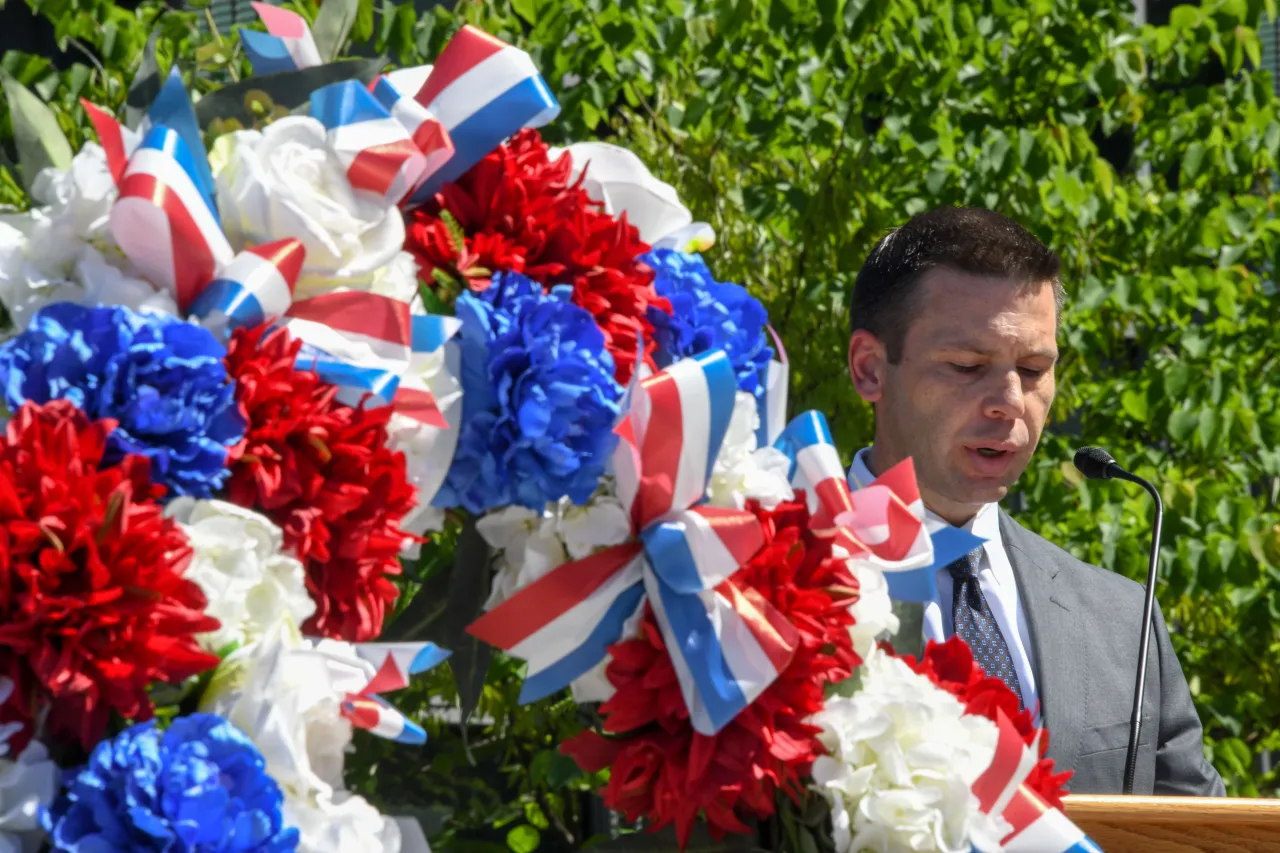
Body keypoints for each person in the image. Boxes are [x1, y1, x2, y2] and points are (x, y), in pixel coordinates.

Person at [845, 206, 1224, 796]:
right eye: (968, 366)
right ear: (870, 369)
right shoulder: (760, 588)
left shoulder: (1125, 620)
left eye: (1032, 368)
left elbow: (1197, 829)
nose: (1009, 401)